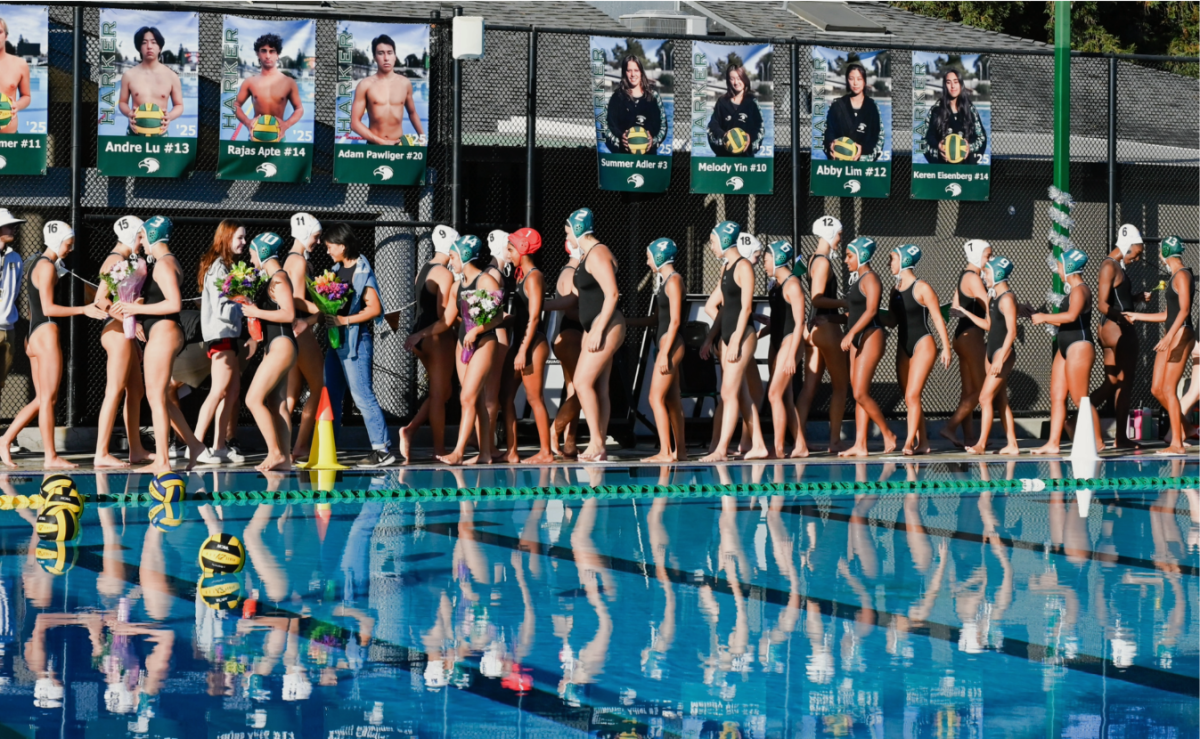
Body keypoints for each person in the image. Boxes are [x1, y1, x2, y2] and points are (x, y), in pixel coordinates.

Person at [0, 222, 105, 468]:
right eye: (69, 244)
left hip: (35, 334)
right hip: (46, 333)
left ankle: (5, 439)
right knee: (48, 400)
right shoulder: (46, 267)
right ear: (57, 241)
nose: (71, 248)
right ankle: (51, 457)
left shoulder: (40, 264)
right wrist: (84, 310)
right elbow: (47, 308)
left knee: (44, 398)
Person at [110, 216, 205, 472]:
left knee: (154, 397)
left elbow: (174, 303)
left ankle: (162, 461)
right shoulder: (165, 262)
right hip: (162, 330)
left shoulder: (164, 264)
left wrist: (130, 307)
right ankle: (194, 445)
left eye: (142, 236)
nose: (139, 242)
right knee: (160, 395)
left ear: (152, 235)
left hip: (164, 331)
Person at [320, 223, 394, 466]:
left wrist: (344, 319)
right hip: (335, 343)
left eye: (331, 246)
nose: (328, 250)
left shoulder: (362, 271)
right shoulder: (335, 269)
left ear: (342, 245)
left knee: (362, 395)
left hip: (355, 342)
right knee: (331, 397)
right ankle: (328, 448)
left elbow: (375, 309)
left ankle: (382, 449)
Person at [700, 222, 768, 462]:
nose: (711, 246)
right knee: (741, 395)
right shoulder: (726, 267)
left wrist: (737, 340)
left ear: (724, 240)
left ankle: (721, 449)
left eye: (712, 241)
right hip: (728, 336)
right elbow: (722, 309)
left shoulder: (744, 267)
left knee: (728, 393)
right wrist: (710, 338)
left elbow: (746, 307)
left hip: (743, 336)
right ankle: (758, 445)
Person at [1123, 236, 1195, 455]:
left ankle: (1178, 444)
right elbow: (1168, 314)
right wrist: (1137, 315)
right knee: (1157, 389)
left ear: (1164, 252)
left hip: (1180, 335)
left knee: (1168, 389)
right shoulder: (1175, 275)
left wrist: (1168, 337)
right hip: (1172, 333)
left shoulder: (1182, 275)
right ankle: (1188, 427)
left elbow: (1184, 311)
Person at [1029, 248, 1105, 455]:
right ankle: (1053, 443)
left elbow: (1071, 316)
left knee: (1080, 398)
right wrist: (1036, 314)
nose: (1058, 271)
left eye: (1060, 266)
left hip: (1079, 346)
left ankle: (1098, 441)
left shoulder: (1080, 290)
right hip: (1065, 347)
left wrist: (1044, 317)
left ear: (1070, 267)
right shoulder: (1072, 291)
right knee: (1057, 395)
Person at [437, 235, 504, 466]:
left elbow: (498, 317)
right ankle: (485, 453)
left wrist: (476, 331)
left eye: (453, 256)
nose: (450, 261)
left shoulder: (486, 281)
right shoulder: (458, 285)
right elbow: (447, 321)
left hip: (484, 341)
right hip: (462, 343)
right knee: (475, 400)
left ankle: (458, 451)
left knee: (467, 397)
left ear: (465, 256)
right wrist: (420, 334)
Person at [90, 215, 151, 468]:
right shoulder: (114, 260)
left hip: (125, 331)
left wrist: (133, 333)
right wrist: (129, 319)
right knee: (114, 391)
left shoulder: (128, 259)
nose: (141, 241)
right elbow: (99, 299)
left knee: (136, 391)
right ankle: (101, 452)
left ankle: (135, 449)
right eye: (139, 236)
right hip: (115, 330)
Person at [567, 209, 626, 462]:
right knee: (600, 388)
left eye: (568, 228)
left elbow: (612, 294)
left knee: (581, 382)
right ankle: (598, 443)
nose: (567, 234)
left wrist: (598, 329)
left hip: (608, 324)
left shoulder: (598, 253)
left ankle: (597, 443)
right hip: (597, 325)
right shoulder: (589, 255)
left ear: (578, 228)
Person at [882, 244, 951, 455]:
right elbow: (892, 321)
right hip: (903, 346)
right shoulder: (894, 290)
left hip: (923, 343)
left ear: (904, 260)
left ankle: (909, 442)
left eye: (892, 259)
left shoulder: (922, 287)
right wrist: (867, 312)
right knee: (910, 397)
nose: (889, 263)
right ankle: (924, 443)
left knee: (912, 395)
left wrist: (946, 348)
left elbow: (938, 318)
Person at [239, 232, 296, 472]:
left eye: (252, 254)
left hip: (282, 343)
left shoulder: (280, 279)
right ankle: (285, 458)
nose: (251, 260)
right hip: (277, 344)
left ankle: (274, 452)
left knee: (253, 399)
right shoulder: (271, 278)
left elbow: (288, 314)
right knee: (277, 403)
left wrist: (256, 312)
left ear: (262, 252)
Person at [400, 224, 458, 461]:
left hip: (421, 336)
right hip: (434, 337)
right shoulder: (445, 274)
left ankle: (410, 429)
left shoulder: (423, 269)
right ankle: (439, 449)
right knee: (438, 394)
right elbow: (443, 317)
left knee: (443, 391)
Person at [194, 220, 249, 463]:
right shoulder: (218, 267)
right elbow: (220, 307)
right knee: (218, 391)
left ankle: (218, 446)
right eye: (240, 238)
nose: (244, 243)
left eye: (244, 238)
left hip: (230, 333)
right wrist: (243, 303)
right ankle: (195, 444)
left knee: (232, 391)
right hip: (221, 333)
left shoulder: (227, 266)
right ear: (226, 238)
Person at [1089, 224, 1148, 449]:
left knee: (1112, 383)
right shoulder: (1109, 265)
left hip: (1110, 330)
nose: (1138, 258)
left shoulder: (1113, 267)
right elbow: (1103, 305)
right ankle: (1121, 438)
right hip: (1118, 330)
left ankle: (1076, 418)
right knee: (1126, 383)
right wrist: (1124, 318)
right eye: (1138, 252)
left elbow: (1116, 299)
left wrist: (1137, 298)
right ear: (1128, 246)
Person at [625, 238, 684, 462]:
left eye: (649, 256)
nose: (647, 262)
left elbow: (676, 321)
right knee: (672, 400)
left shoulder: (674, 281)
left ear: (659, 256)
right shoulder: (666, 281)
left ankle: (665, 452)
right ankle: (681, 451)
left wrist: (664, 352)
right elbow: (655, 320)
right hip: (666, 344)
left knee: (654, 398)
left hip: (671, 344)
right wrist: (625, 321)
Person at [795, 216, 849, 455]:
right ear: (830, 235)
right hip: (826, 328)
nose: (840, 238)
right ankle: (835, 441)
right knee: (841, 387)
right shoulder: (824, 263)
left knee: (808, 389)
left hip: (812, 329)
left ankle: (800, 443)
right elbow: (817, 298)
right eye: (838, 234)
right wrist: (845, 302)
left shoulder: (809, 260)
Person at [838, 237, 897, 457]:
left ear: (862, 255)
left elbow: (872, 310)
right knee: (858, 394)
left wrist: (852, 333)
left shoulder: (871, 278)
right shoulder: (858, 279)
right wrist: (831, 321)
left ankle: (887, 433)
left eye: (850, 255)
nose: (846, 260)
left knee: (860, 391)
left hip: (870, 334)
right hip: (857, 336)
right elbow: (853, 314)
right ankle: (860, 444)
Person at [501, 228, 554, 464]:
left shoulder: (534, 277)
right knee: (506, 396)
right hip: (521, 341)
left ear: (523, 249)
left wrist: (522, 349)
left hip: (532, 343)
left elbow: (534, 317)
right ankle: (512, 451)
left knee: (534, 398)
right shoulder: (521, 276)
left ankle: (546, 452)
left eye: (511, 249)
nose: (508, 254)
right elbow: (522, 316)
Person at [962, 257, 1020, 455]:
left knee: (985, 398)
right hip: (992, 351)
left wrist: (1000, 358)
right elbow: (989, 326)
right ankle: (1012, 444)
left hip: (1001, 353)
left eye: (987, 272)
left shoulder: (1007, 299)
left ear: (998, 273)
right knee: (1001, 400)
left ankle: (981, 444)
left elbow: (1011, 332)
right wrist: (965, 313)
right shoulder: (994, 297)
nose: (984, 275)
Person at [940, 239, 991, 447]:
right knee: (982, 391)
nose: (990, 260)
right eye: (988, 255)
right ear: (977, 256)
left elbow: (953, 309)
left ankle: (968, 437)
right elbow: (991, 307)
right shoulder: (975, 279)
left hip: (961, 336)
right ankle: (950, 427)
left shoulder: (964, 276)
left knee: (968, 390)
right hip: (972, 337)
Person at [282, 212, 323, 461]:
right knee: (319, 387)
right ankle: (299, 447)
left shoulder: (290, 259)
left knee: (292, 391)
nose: (318, 242)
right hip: (300, 329)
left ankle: (282, 445)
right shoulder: (298, 261)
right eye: (316, 237)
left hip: (290, 331)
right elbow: (296, 298)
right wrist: (320, 308)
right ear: (305, 234)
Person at [764, 239, 806, 458]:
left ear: (778, 258)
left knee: (773, 394)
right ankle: (801, 446)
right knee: (785, 398)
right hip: (778, 342)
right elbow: (777, 319)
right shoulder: (776, 286)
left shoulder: (792, 285)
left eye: (767, 258)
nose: (764, 263)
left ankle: (778, 448)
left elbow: (800, 322)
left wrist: (791, 355)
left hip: (790, 342)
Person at [544, 237, 585, 459]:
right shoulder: (570, 274)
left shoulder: (573, 272)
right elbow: (570, 311)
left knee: (574, 390)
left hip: (571, 335)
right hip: (570, 335)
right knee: (582, 389)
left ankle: (569, 443)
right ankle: (555, 431)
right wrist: (596, 317)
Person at [349, 34, 425, 145]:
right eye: (381, 53)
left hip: (399, 144)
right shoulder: (365, 85)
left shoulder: (405, 83)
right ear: (375, 57)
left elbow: (412, 113)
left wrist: (422, 136)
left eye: (390, 53)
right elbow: (354, 123)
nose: (386, 58)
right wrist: (379, 141)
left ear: (395, 56)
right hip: (374, 145)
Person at [233, 33, 304, 139]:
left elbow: (299, 109)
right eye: (263, 51)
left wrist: (286, 124)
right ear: (258, 53)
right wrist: (247, 122)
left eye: (272, 51)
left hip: (278, 137)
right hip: (254, 137)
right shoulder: (250, 82)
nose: (267, 55)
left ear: (277, 54)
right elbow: (235, 105)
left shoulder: (289, 82)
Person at [117, 26, 183, 136]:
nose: (149, 46)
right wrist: (129, 113)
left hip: (160, 132)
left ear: (160, 47)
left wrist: (169, 116)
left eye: (154, 42)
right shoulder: (129, 75)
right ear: (139, 47)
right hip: (134, 132)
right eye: (144, 42)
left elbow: (179, 105)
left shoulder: (172, 76)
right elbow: (122, 102)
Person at [920, 68, 987, 165]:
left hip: (964, 169)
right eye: (948, 82)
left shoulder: (970, 110)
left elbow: (981, 137)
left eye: (956, 82)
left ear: (960, 84)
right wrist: (938, 147)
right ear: (945, 85)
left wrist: (969, 147)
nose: (952, 86)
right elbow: (926, 138)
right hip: (942, 168)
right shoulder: (936, 110)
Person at [602, 54, 665, 155]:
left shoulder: (653, 97)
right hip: (624, 157)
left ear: (641, 72)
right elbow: (606, 125)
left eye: (636, 70)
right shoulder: (616, 97)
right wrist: (620, 140)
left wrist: (653, 141)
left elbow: (662, 126)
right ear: (624, 72)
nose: (633, 74)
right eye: (629, 70)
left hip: (648, 159)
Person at [822, 63, 883, 162]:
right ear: (847, 80)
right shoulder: (837, 105)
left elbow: (876, 137)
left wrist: (862, 149)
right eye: (851, 79)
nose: (855, 83)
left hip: (863, 163)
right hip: (838, 163)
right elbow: (829, 131)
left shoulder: (872, 107)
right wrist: (831, 144)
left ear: (864, 81)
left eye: (859, 79)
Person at [706, 63, 763, 157]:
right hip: (724, 158)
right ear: (728, 81)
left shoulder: (752, 102)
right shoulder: (722, 102)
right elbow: (713, 125)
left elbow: (759, 127)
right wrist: (723, 136)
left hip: (745, 159)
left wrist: (751, 137)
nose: (736, 82)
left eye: (739, 78)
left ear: (744, 78)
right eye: (732, 79)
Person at [0, 209, 25, 420]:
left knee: (1, 382)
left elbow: (14, 291)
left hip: (8, 327)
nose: (13, 229)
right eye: (9, 226)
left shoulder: (15, 257)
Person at [0, 18, 32, 135]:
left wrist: (17, 105)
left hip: (10, 139)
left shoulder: (20, 64)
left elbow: (26, 96)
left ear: (6, 36)